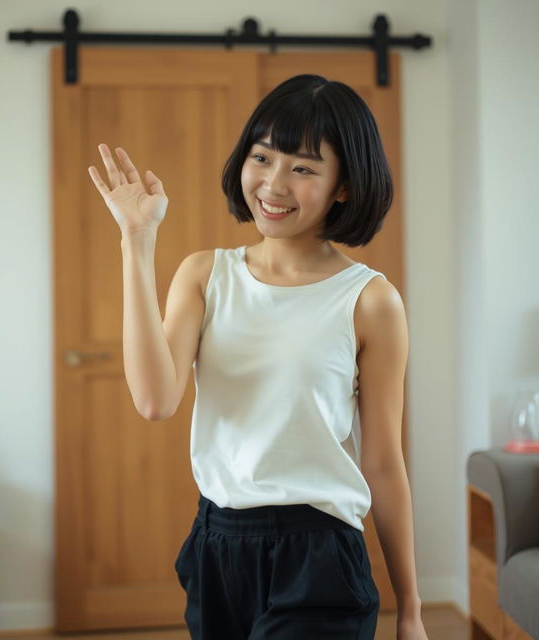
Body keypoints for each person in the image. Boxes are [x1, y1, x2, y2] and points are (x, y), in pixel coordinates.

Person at [88, 74, 428, 640]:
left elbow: (384, 463)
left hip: (319, 553)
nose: (273, 183)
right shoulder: (204, 274)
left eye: (303, 167)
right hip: (217, 547)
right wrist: (136, 239)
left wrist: (412, 608)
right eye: (262, 157)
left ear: (344, 185)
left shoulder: (370, 301)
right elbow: (154, 399)